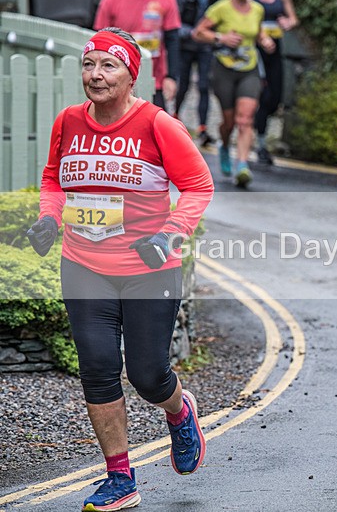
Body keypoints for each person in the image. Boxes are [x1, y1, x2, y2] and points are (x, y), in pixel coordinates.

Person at [26, 28, 214, 511]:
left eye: (108, 66)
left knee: (148, 374)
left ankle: (178, 411)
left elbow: (197, 186)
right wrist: (49, 217)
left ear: (131, 75)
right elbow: (52, 178)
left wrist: (169, 234)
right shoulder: (68, 121)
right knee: (98, 371)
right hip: (84, 264)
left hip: (149, 268)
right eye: (89, 65)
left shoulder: (158, 125)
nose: (95, 75)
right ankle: (119, 478)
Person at [192, 0, 271, 188]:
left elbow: (258, 32)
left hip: (250, 70)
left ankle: (243, 165)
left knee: (245, 119)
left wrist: (265, 40)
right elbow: (198, 33)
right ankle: (225, 146)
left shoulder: (257, 9)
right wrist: (221, 37)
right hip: (224, 71)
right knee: (229, 122)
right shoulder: (220, 8)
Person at [94, 0, 181, 110]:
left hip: (154, 79)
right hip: (118, 78)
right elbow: (99, 42)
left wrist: (171, 77)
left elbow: (173, 41)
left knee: (155, 123)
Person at [251, 0, 299, 164]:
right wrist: (260, 36)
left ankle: (258, 131)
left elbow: (293, 18)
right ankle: (260, 144)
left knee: (275, 98)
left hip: (275, 50)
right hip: (255, 50)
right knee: (264, 95)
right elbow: (242, 17)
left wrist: (287, 22)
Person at [174, 0, 223, 147]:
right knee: (183, 85)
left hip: (205, 47)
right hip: (185, 46)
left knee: (204, 86)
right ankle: (174, 118)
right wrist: (191, 32)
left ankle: (203, 128)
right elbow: (174, 23)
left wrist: (211, 37)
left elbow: (218, 20)